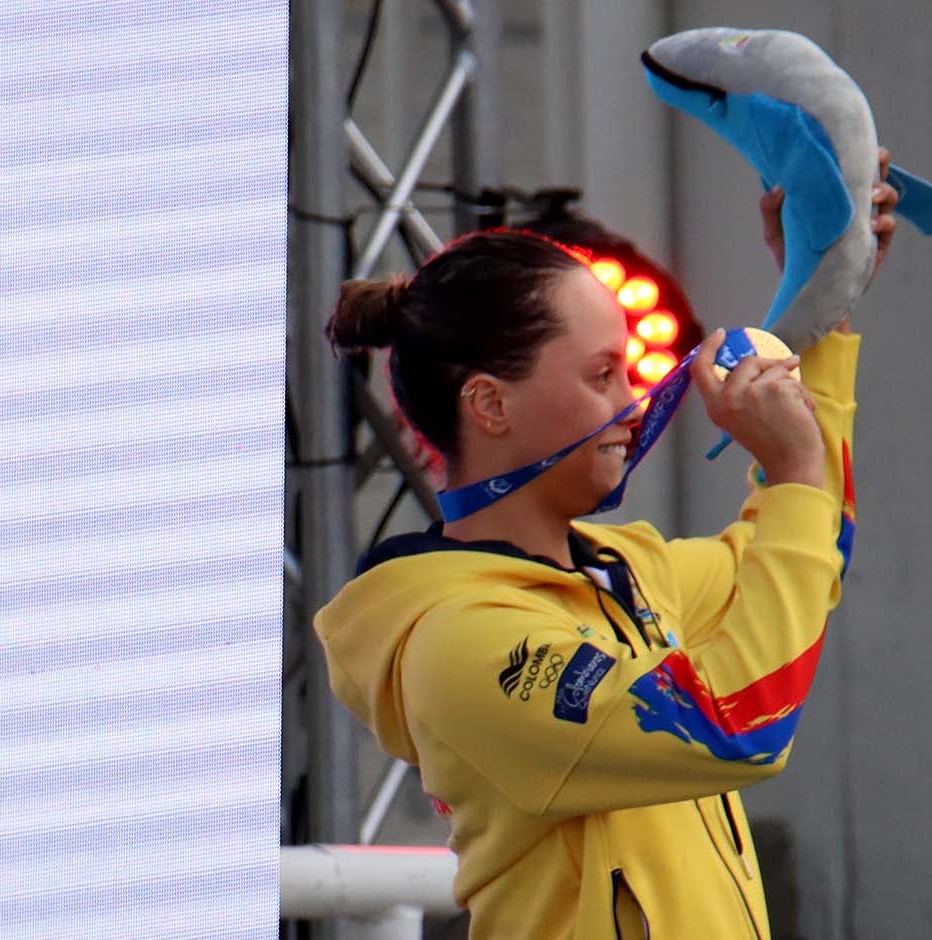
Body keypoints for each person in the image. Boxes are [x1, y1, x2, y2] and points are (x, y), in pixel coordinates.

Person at [314, 153, 900, 939]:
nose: (634, 403)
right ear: (489, 404)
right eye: (601, 375)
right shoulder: (457, 638)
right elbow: (735, 725)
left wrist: (821, 294)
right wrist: (790, 464)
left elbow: (808, 549)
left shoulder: (628, 568)